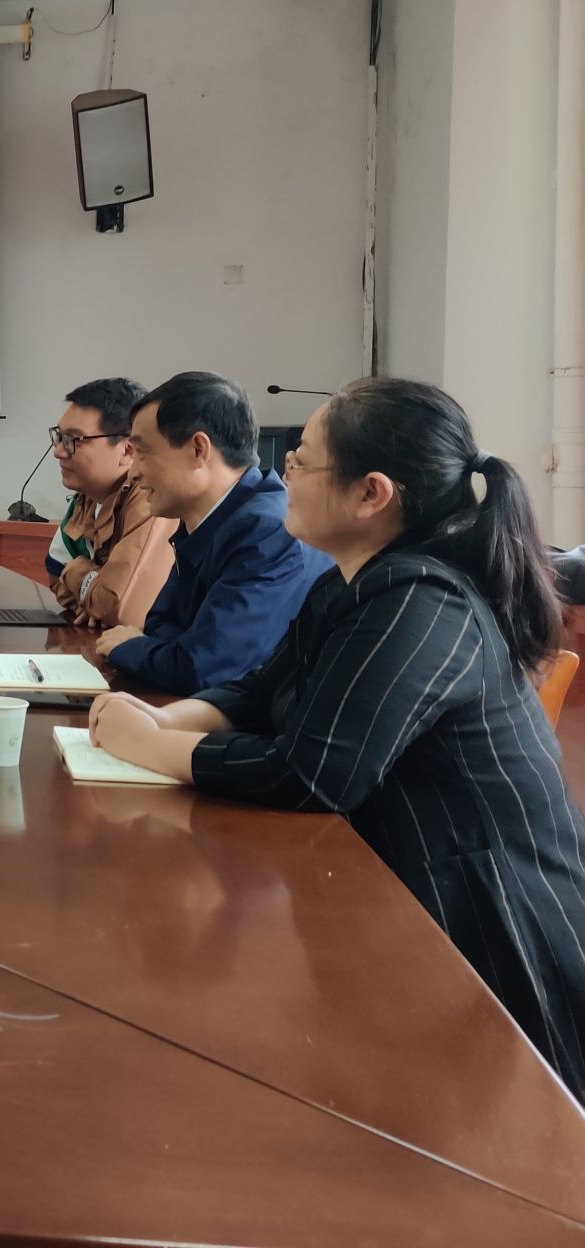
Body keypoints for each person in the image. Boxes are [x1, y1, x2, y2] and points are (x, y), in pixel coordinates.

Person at [91, 379, 585, 1098]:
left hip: (489, 933)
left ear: (370, 494)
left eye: (302, 459)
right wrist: (167, 718)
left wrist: (148, 747)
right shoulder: (352, 584)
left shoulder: (422, 603)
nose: (281, 470)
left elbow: (313, 773)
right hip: (409, 901)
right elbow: (260, 690)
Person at [95, 371, 330, 694]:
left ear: (198, 449)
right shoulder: (208, 519)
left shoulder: (267, 530)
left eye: (143, 453)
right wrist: (165, 648)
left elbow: (204, 668)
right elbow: (160, 626)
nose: (132, 473)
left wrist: (130, 648)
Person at [44, 378, 177, 629]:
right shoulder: (88, 496)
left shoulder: (150, 498)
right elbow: (54, 572)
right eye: (59, 436)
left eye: (74, 439)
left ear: (128, 450)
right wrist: (93, 604)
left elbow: (120, 608)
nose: (58, 451)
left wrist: (78, 571)